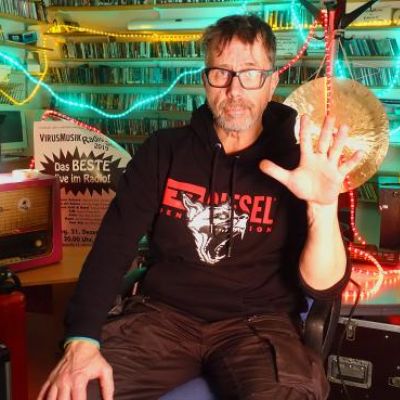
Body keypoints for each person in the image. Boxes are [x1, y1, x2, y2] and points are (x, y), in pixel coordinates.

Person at [39, 14, 361, 400]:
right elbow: (112, 247)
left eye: (250, 73)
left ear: (271, 82)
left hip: (258, 327)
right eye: (220, 73)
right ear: (205, 80)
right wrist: (82, 338)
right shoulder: (163, 151)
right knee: (77, 392)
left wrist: (323, 207)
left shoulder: (301, 163)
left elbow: (323, 287)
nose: (234, 90)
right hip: (162, 319)